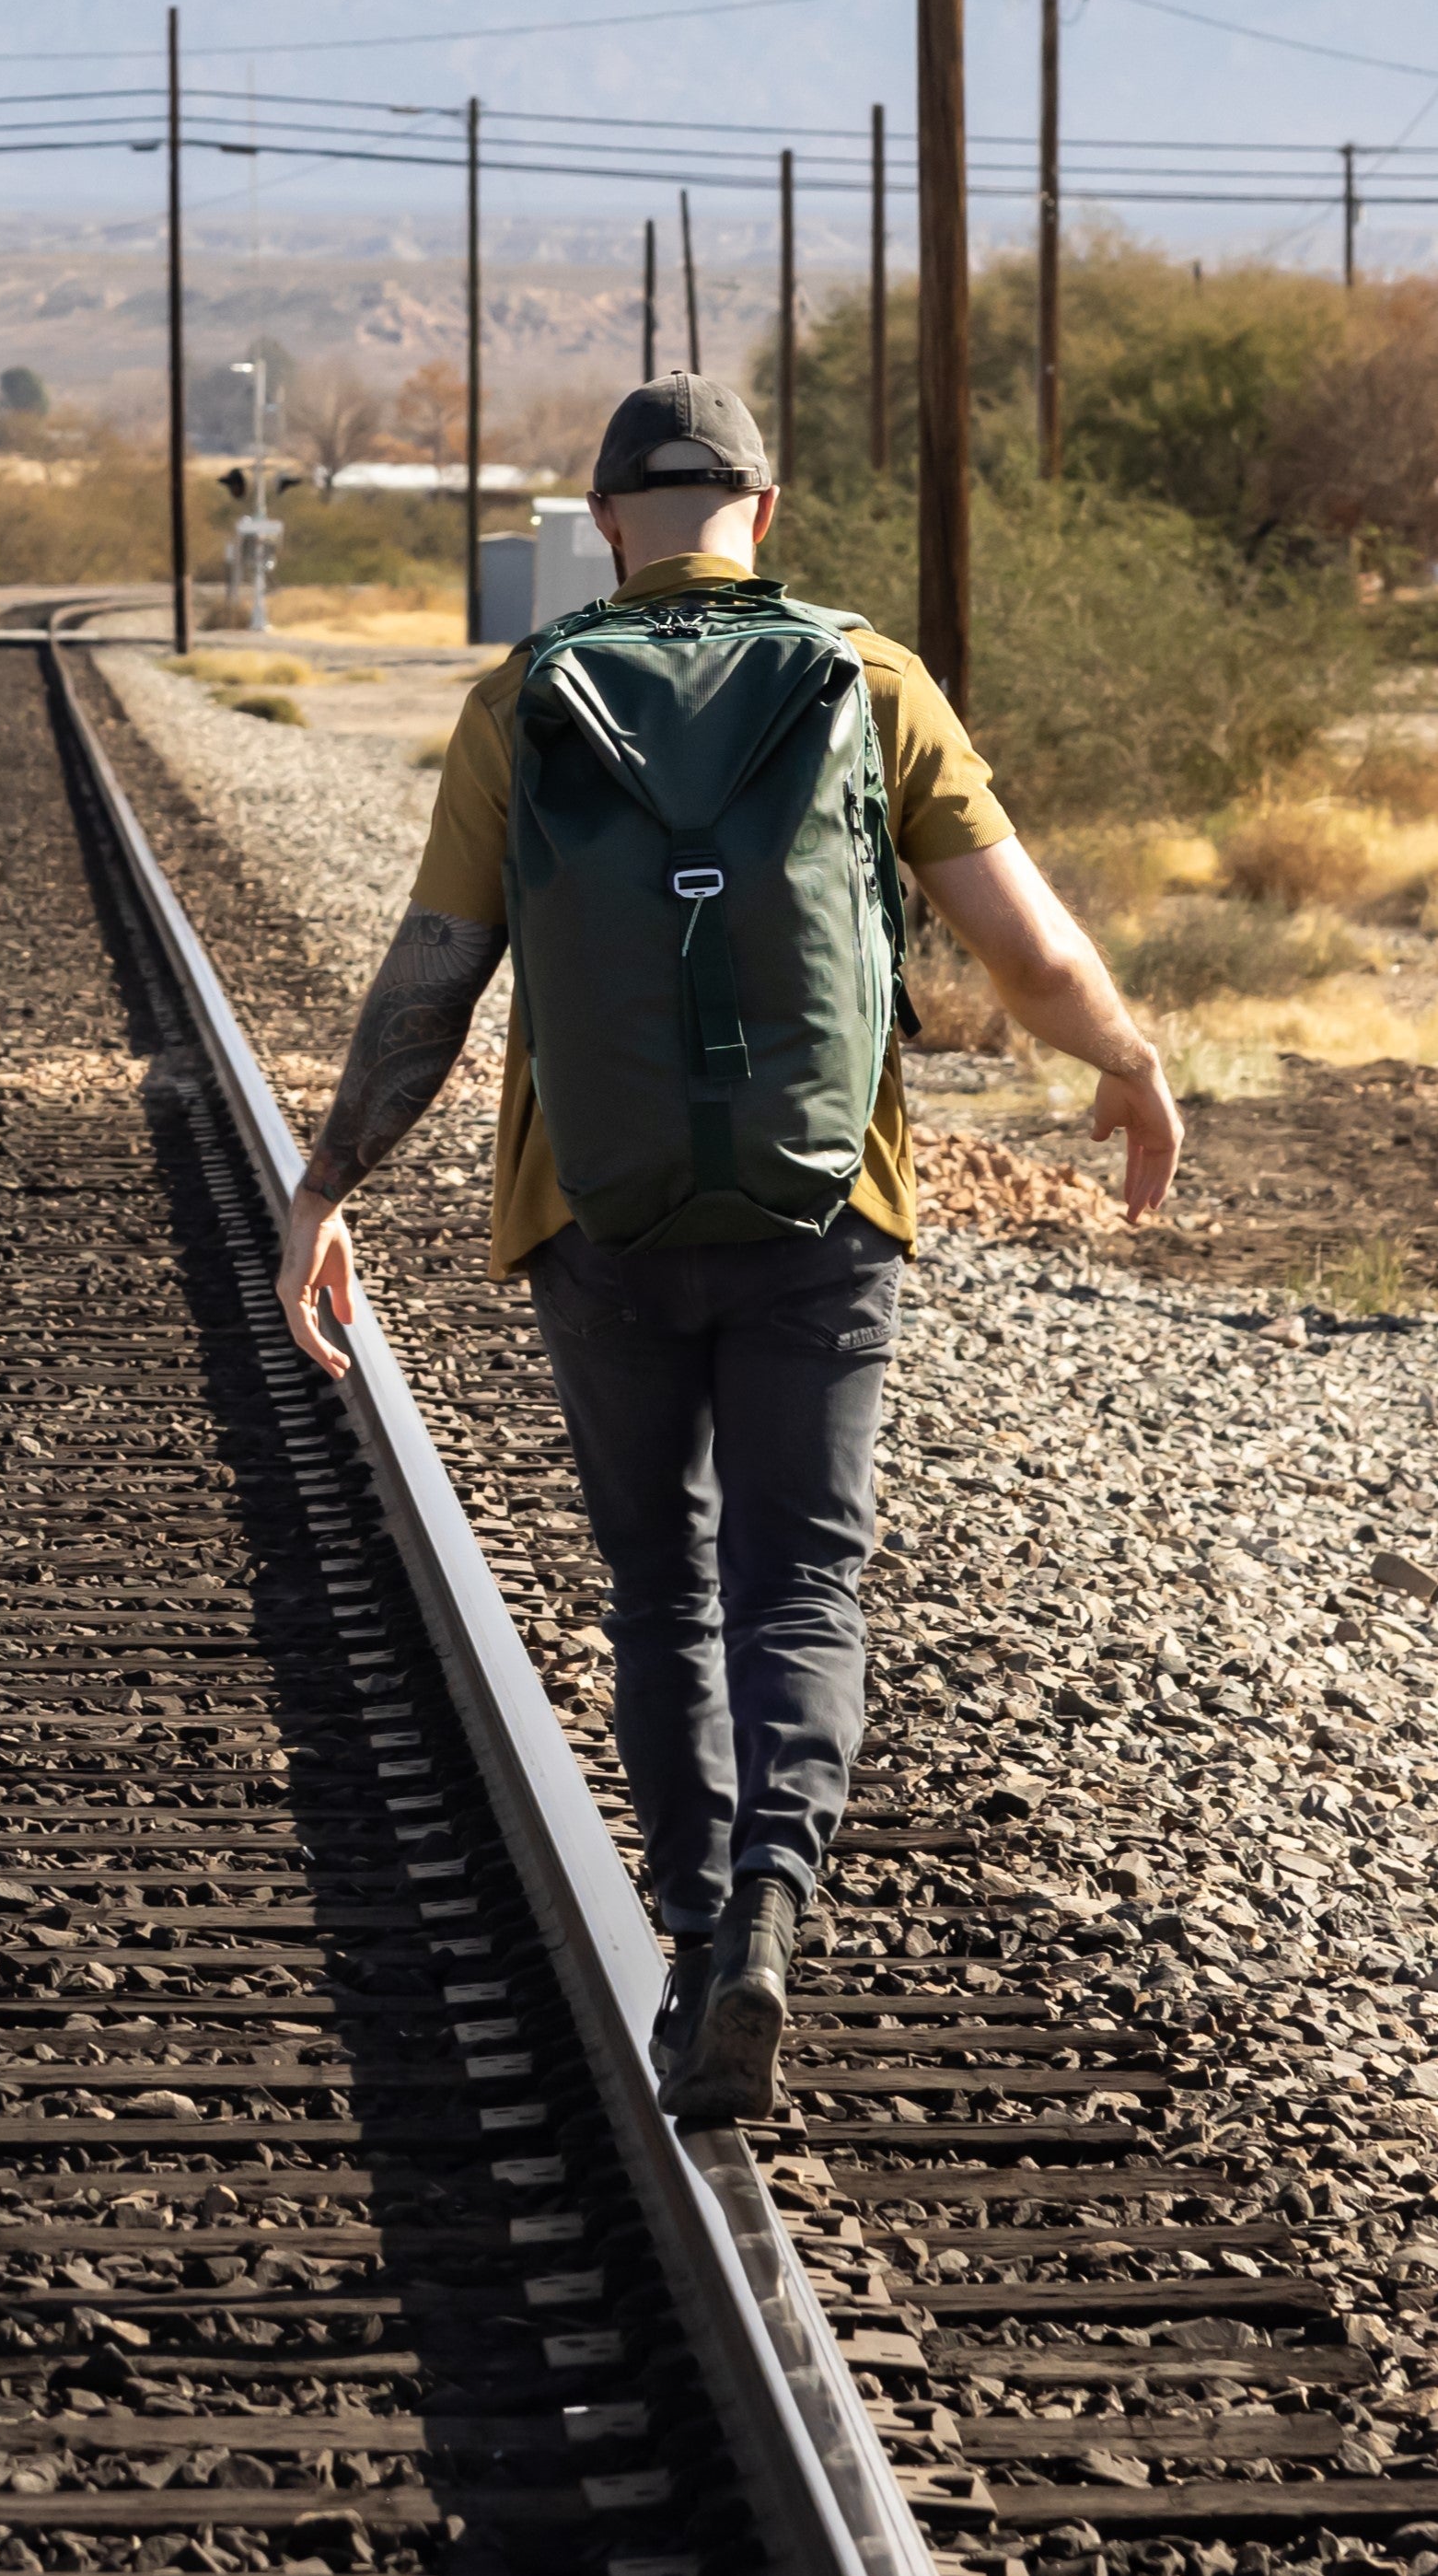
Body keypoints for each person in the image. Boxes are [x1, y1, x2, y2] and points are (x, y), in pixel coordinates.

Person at [275, 371, 1177, 2125]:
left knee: (662, 1587)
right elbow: (1029, 951)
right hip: (825, 1215)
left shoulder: (527, 694)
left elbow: (434, 983)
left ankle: (692, 1933)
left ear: (607, 526)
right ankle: (773, 1897)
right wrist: (1130, 1060)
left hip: (592, 1213)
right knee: (804, 1580)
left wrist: (328, 1182)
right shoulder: (868, 678)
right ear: (763, 513)